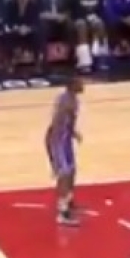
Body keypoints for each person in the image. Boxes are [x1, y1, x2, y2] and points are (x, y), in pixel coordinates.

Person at [46, 77, 85, 225]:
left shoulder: (74, 100)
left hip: (65, 139)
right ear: (72, 85)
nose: (83, 85)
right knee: (64, 173)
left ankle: (68, 200)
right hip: (58, 140)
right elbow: (56, 124)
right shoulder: (64, 101)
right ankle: (62, 213)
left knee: (72, 171)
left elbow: (70, 121)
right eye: (80, 83)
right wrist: (52, 153)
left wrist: (73, 132)